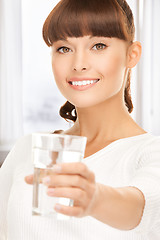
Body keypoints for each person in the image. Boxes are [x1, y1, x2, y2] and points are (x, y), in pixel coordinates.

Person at [0, 0, 160, 239]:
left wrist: (95, 198)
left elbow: (142, 208)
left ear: (131, 54)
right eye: (64, 48)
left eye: (98, 45)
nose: (78, 64)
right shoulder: (27, 149)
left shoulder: (151, 153)